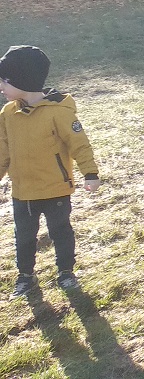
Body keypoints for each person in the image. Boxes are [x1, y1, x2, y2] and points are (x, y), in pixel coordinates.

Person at [0, 45, 100, 298]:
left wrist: (90, 173)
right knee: (23, 236)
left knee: (60, 231)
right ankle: (26, 276)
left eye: (4, 81)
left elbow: (79, 143)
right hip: (23, 192)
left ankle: (66, 272)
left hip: (55, 188)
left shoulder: (58, 112)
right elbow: (2, 151)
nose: (1, 87)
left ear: (22, 80)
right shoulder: (8, 114)